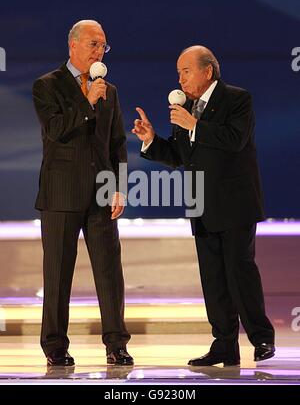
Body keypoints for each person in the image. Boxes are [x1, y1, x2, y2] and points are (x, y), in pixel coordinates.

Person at [132, 45, 275, 366]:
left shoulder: (237, 99)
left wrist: (193, 124)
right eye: (178, 73)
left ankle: (261, 338)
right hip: (202, 205)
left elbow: (234, 139)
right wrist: (151, 139)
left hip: (235, 204)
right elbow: (182, 156)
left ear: (207, 71)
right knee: (213, 278)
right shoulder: (186, 109)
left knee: (240, 271)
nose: (180, 79)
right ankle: (224, 344)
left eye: (186, 71)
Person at [32, 20, 133, 366]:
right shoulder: (47, 85)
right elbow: (56, 130)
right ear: (73, 45)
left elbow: (118, 143)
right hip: (61, 193)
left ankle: (116, 344)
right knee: (58, 273)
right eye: (93, 44)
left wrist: (119, 185)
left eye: (103, 45)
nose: (99, 51)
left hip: (102, 193)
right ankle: (55, 346)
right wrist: (87, 103)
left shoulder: (110, 91)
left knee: (109, 271)